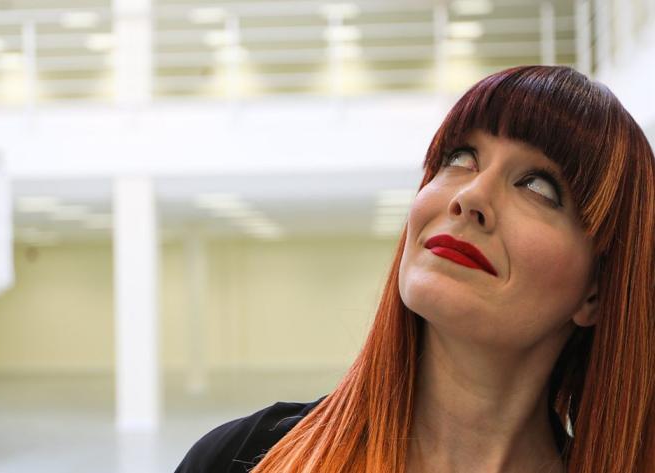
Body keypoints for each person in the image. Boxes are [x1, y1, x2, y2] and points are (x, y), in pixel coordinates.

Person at [174, 65, 655, 473]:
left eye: (537, 186)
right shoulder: (239, 459)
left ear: (595, 292)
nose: (469, 196)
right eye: (460, 158)